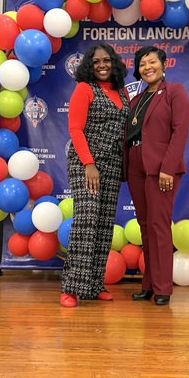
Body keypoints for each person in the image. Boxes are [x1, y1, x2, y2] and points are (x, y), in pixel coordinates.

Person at [60, 43, 130, 308]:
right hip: (86, 164)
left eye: (107, 60)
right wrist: (89, 164)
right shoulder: (84, 89)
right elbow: (75, 129)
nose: (102, 65)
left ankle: (93, 285)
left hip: (112, 166)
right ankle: (71, 288)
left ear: (114, 63)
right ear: (90, 65)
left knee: (103, 224)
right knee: (86, 222)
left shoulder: (122, 92)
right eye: (97, 61)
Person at [125, 46, 189, 306]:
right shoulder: (135, 100)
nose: (147, 67)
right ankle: (149, 284)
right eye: (142, 64)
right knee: (145, 226)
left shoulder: (175, 92)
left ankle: (163, 287)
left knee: (159, 226)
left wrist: (168, 168)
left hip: (162, 168)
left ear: (163, 66)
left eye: (152, 62)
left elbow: (180, 131)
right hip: (134, 166)